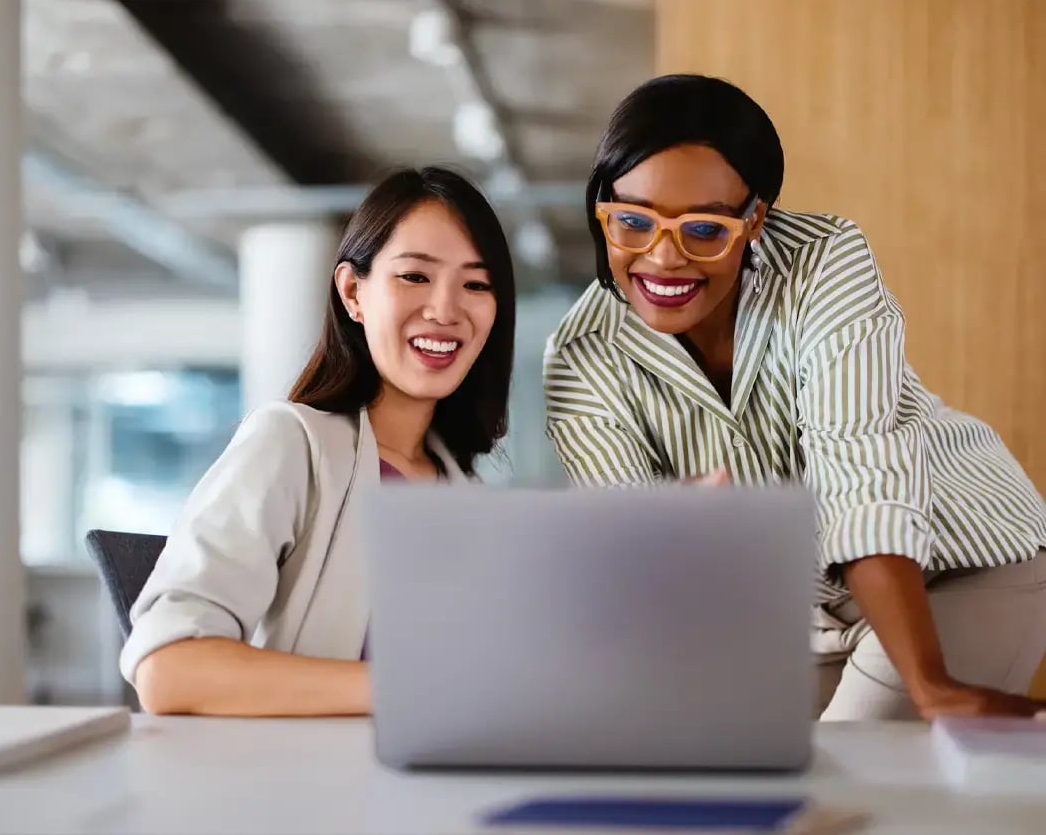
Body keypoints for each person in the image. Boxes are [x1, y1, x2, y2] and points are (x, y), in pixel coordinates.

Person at [544, 74, 1046, 721]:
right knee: (744, 772)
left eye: (703, 230)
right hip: (802, 614)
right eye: (632, 222)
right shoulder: (582, 356)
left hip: (962, 564)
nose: (662, 260)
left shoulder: (824, 262)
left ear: (755, 219)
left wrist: (929, 685)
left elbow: (859, 470)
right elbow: (637, 554)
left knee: (866, 785)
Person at [121, 167, 516, 716]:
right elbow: (168, 668)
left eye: (476, 284)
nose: (446, 310)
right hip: (311, 789)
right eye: (415, 277)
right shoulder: (292, 443)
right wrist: (411, 691)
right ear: (354, 292)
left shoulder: (464, 489)